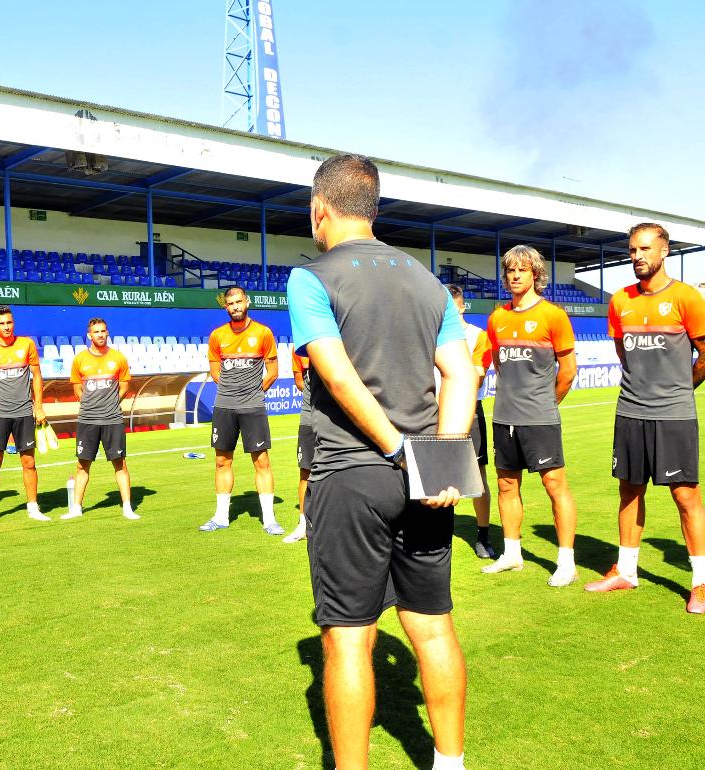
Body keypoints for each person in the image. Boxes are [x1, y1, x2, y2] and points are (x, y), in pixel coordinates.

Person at [287, 153, 475, 770]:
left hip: (353, 472)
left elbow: (338, 378)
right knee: (432, 625)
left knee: (346, 641)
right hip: (429, 477)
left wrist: (396, 451)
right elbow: (460, 371)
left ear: (321, 210)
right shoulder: (426, 280)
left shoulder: (311, 277)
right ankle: (450, 763)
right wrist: (440, 460)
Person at [586, 222, 705, 614]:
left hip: (673, 414)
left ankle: (700, 583)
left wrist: (680, 389)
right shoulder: (620, 300)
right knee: (629, 490)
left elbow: (704, 355)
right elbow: (624, 352)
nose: (637, 256)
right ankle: (627, 571)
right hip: (630, 411)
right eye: (632, 250)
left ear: (664, 251)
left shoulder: (687, 298)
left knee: (685, 497)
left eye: (644, 249)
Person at [480, 249, 578, 586]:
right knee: (506, 484)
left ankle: (566, 562)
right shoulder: (497, 318)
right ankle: (512, 553)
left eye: (523, 270)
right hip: (504, 415)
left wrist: (547, 403)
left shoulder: (553, 315)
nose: (516, 276)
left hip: (540, 418)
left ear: (535, 274)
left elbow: (568, 371)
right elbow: (497, 363)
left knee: (555, 486)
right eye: (510, 270)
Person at [199, 286, 283, 535]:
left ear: (247, 302)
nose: (235, 306)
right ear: (225, 307)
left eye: (239, 302)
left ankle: (269, 520)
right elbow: (215, 372)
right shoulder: (217, 336)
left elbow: (273, 372)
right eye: (230, 303)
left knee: (262, 461)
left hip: (253, 407)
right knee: (222, 461)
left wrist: (254, 393)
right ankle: (221, 517)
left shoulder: (263, 333)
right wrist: (231, 391)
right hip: (224, 406)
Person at [0, 306, 50, 524]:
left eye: (9, 322)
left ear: (13, 323)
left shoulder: (26, 344)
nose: (6, 327)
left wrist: (38, 407)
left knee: (28, 462)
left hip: (24, 412)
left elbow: (37, 377)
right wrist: (2, 389)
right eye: (2, 323)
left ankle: (33, 508)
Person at [62, 317, 138, 521]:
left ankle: (128, 508)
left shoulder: (118, 358)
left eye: (103, 331)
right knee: (82, 465)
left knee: (120, 463)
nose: (100, 335)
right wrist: (89, 404)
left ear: (107, 333)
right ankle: (76, 508)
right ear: (89, 335)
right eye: (96, 332)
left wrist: (112, 401)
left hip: (112, 418)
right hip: (88, 419)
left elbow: (124, 385)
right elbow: (77, 388)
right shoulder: (79, 360)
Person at [446, 286, 496, 559]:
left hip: (468, 410)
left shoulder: (478, 336)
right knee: (437, 473)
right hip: (436, 411)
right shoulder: (432, 334)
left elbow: (476, 376)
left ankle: (483, 535)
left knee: (477, 476)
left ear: (463, 307)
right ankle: (440, 532)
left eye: (453, 308)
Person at [283, 350, 312, 543]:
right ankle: (303, 525)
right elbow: (300, 382)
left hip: (338, 416)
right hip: (310, 415)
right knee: (306, 471)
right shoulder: (300, 346)